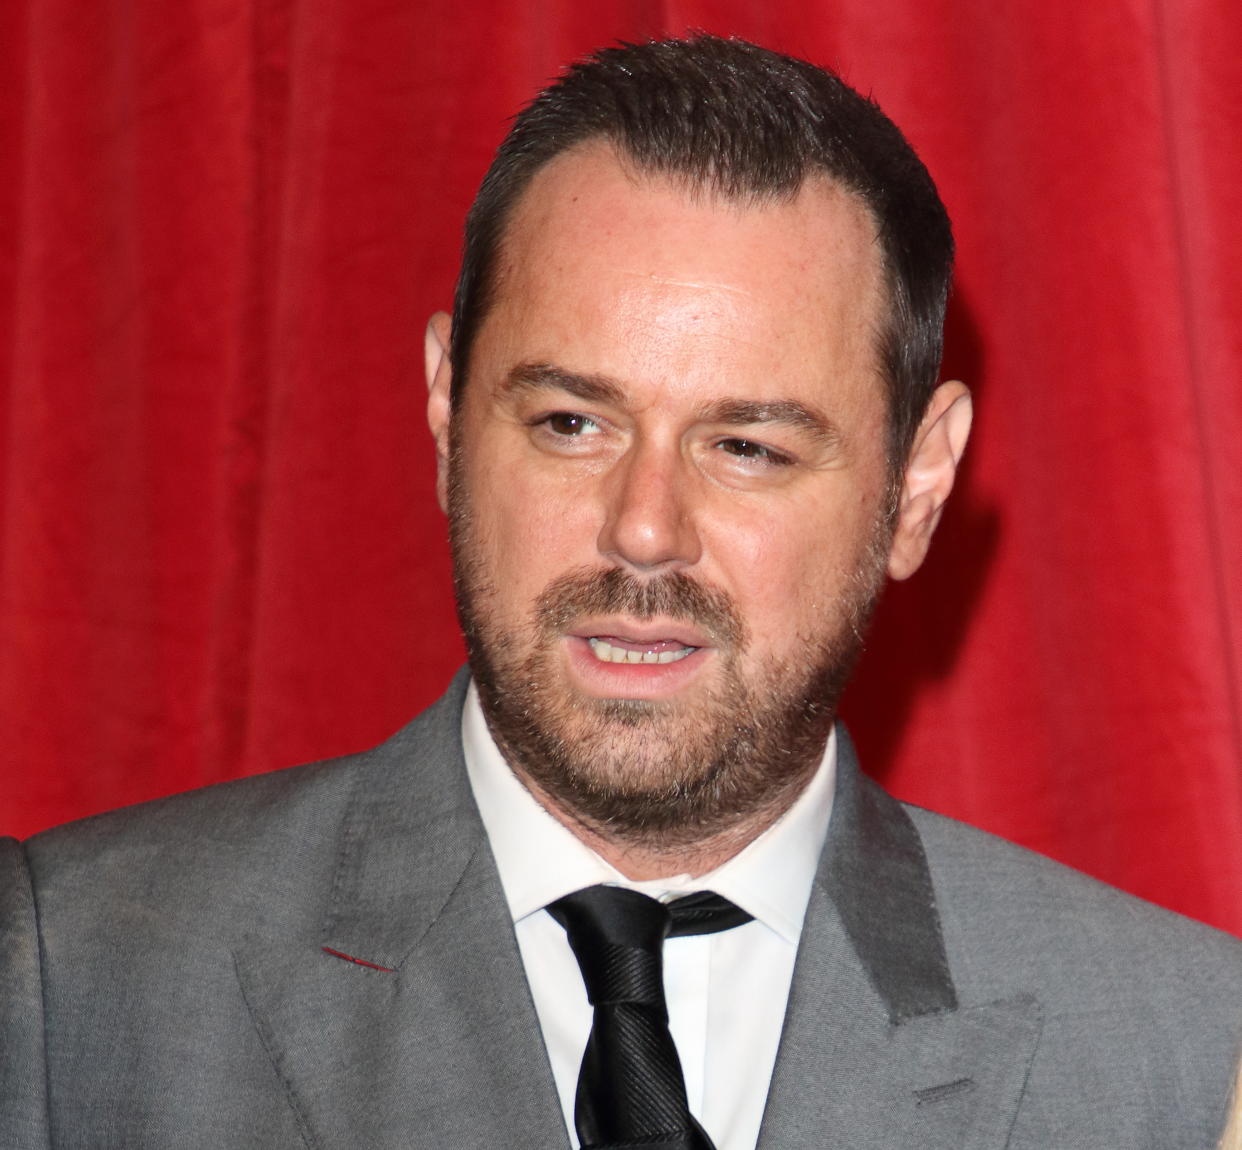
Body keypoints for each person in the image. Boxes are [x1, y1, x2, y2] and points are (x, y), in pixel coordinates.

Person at [3, 34, 1241, 1150]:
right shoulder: (71, 989)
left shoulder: (1185, 1062)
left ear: (917, 487)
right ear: (445, 412)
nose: (643, 530)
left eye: (748, 446)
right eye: (571, 420)